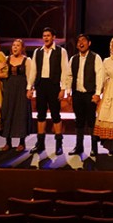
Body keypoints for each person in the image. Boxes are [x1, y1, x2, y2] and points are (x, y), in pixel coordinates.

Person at [29, 27, 71, 156]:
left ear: (54, 37)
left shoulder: (60, 51)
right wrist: (29, 86)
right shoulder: (38, 52)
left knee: (55, 116)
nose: (46, 38)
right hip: (41, 85)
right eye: (44, 36)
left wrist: (64, 88)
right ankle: (40, 143)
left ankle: (59, 145)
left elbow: (65, 70)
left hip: (54, 86)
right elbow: (33, 70)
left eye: (48, 35)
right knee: (40, 115)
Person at [67, 33, 103, 160]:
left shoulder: (95, 57)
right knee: (79, 121)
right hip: (77, 94)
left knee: (91, 121)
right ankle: (79, 146)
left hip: (90, 94)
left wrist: (98, 93)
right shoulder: (73, 59)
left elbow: (100, 76)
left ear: (89, 43)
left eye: (83, 41)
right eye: (79, 41)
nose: (81, 43)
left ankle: (94, 147)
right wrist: (69, 92)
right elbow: (69, 75)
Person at [0, 38, 34, 152]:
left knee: (21, 114)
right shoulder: (6, 59)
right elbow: (1, 72)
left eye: (18, 45)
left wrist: (29, 89)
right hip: (9, 90)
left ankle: (21, 142)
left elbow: (30, 76)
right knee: (8, 112)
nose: (15, 47)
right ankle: (8, 142)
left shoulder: (27, 60)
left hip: (21, 90)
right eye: (13, 45)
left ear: (22, 48)